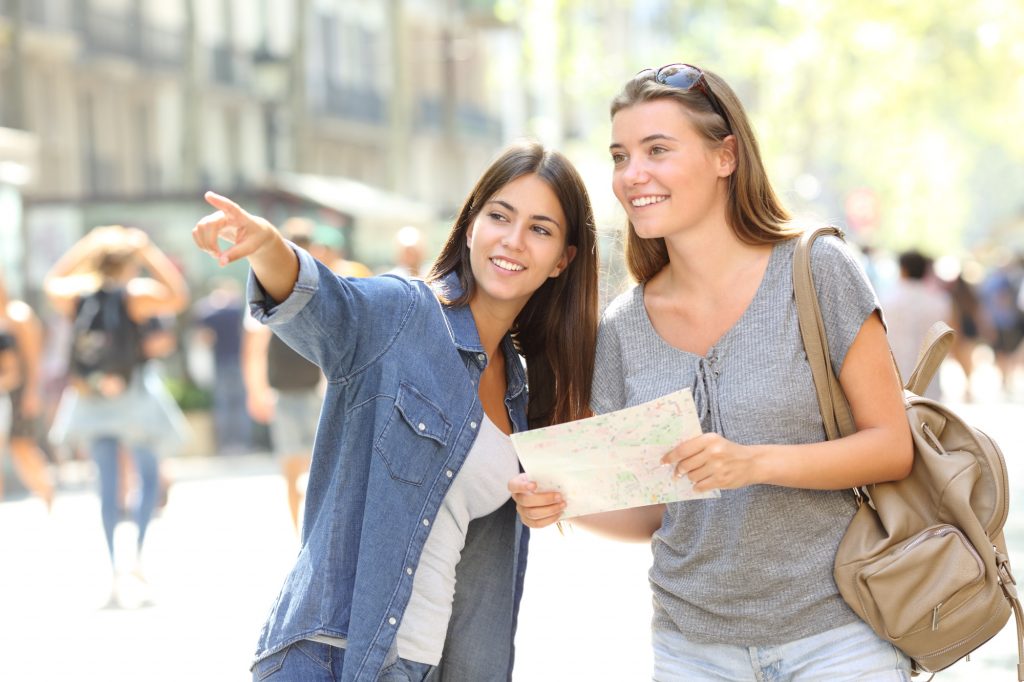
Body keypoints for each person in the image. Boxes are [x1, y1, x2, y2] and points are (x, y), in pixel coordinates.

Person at [510, 64, 914, 681]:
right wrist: (564, 503)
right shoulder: (623, 328)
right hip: (691, 650)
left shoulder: (816, 270)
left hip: (838, 637)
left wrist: (754, 462)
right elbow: (655, 513)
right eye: (620, 155)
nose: (631, 175)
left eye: (657, 150)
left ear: (725, 156)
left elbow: (892, 448)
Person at [192, 141, 599, 681]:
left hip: (424, 666)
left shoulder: (520, 389)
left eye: (540, 229)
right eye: (499, 216)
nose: (513, 240)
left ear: (561, 261)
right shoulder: (403, 314)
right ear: (471, 225)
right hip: (334, 656)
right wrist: (267, 245)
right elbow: (327, 304)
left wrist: (545, 504)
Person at [45, 225, 189, 605]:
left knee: (107, 487)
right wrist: (147, 250)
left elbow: (51, 282)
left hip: (91, 400)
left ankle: (113, 572)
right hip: (133, 397)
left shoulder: (77, 295)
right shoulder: (135, 295)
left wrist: (87, 244)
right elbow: (177, 296)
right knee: (147, 476)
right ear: (128, 263)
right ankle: (137, 559)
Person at [241, 217, 325, 534]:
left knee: (295, 471)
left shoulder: (267, 284)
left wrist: (257, 390)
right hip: (308, 390)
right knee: (312, 471)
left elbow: (254, 348)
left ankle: (301, 536)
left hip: (297, 390)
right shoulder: (319, 283)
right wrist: (256, 390)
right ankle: (305, 537)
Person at [0, 273, 56, 509]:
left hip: (17, 394)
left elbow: (34, 361)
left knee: (23, 449)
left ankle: (48, 495)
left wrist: (33, 392)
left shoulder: (18, 314)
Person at [880, 250, 952, 400]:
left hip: (893, 377)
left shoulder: (885, 299)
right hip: (928, 379)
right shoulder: (939, 301)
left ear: (902, 269)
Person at [192, 277, 251, 453]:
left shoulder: (210, 313)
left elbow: (203, 337)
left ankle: (226, 444)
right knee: (240, 404)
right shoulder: (239, 311)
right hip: (241, 361)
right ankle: (242, 444)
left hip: (221, 362)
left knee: (223, 404)